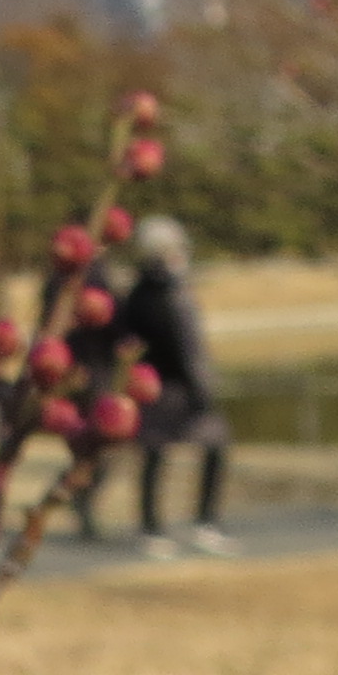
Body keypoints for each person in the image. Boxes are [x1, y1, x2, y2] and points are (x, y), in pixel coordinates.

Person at [116, 217, 236, 553]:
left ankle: (154, 526)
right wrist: (202, 389)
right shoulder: (170, 293)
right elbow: (188, 347)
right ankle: (198, 522)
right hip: (175, 387)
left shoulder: (137, 293)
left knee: (157, 454)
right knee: (209, 446)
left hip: (152, 384)